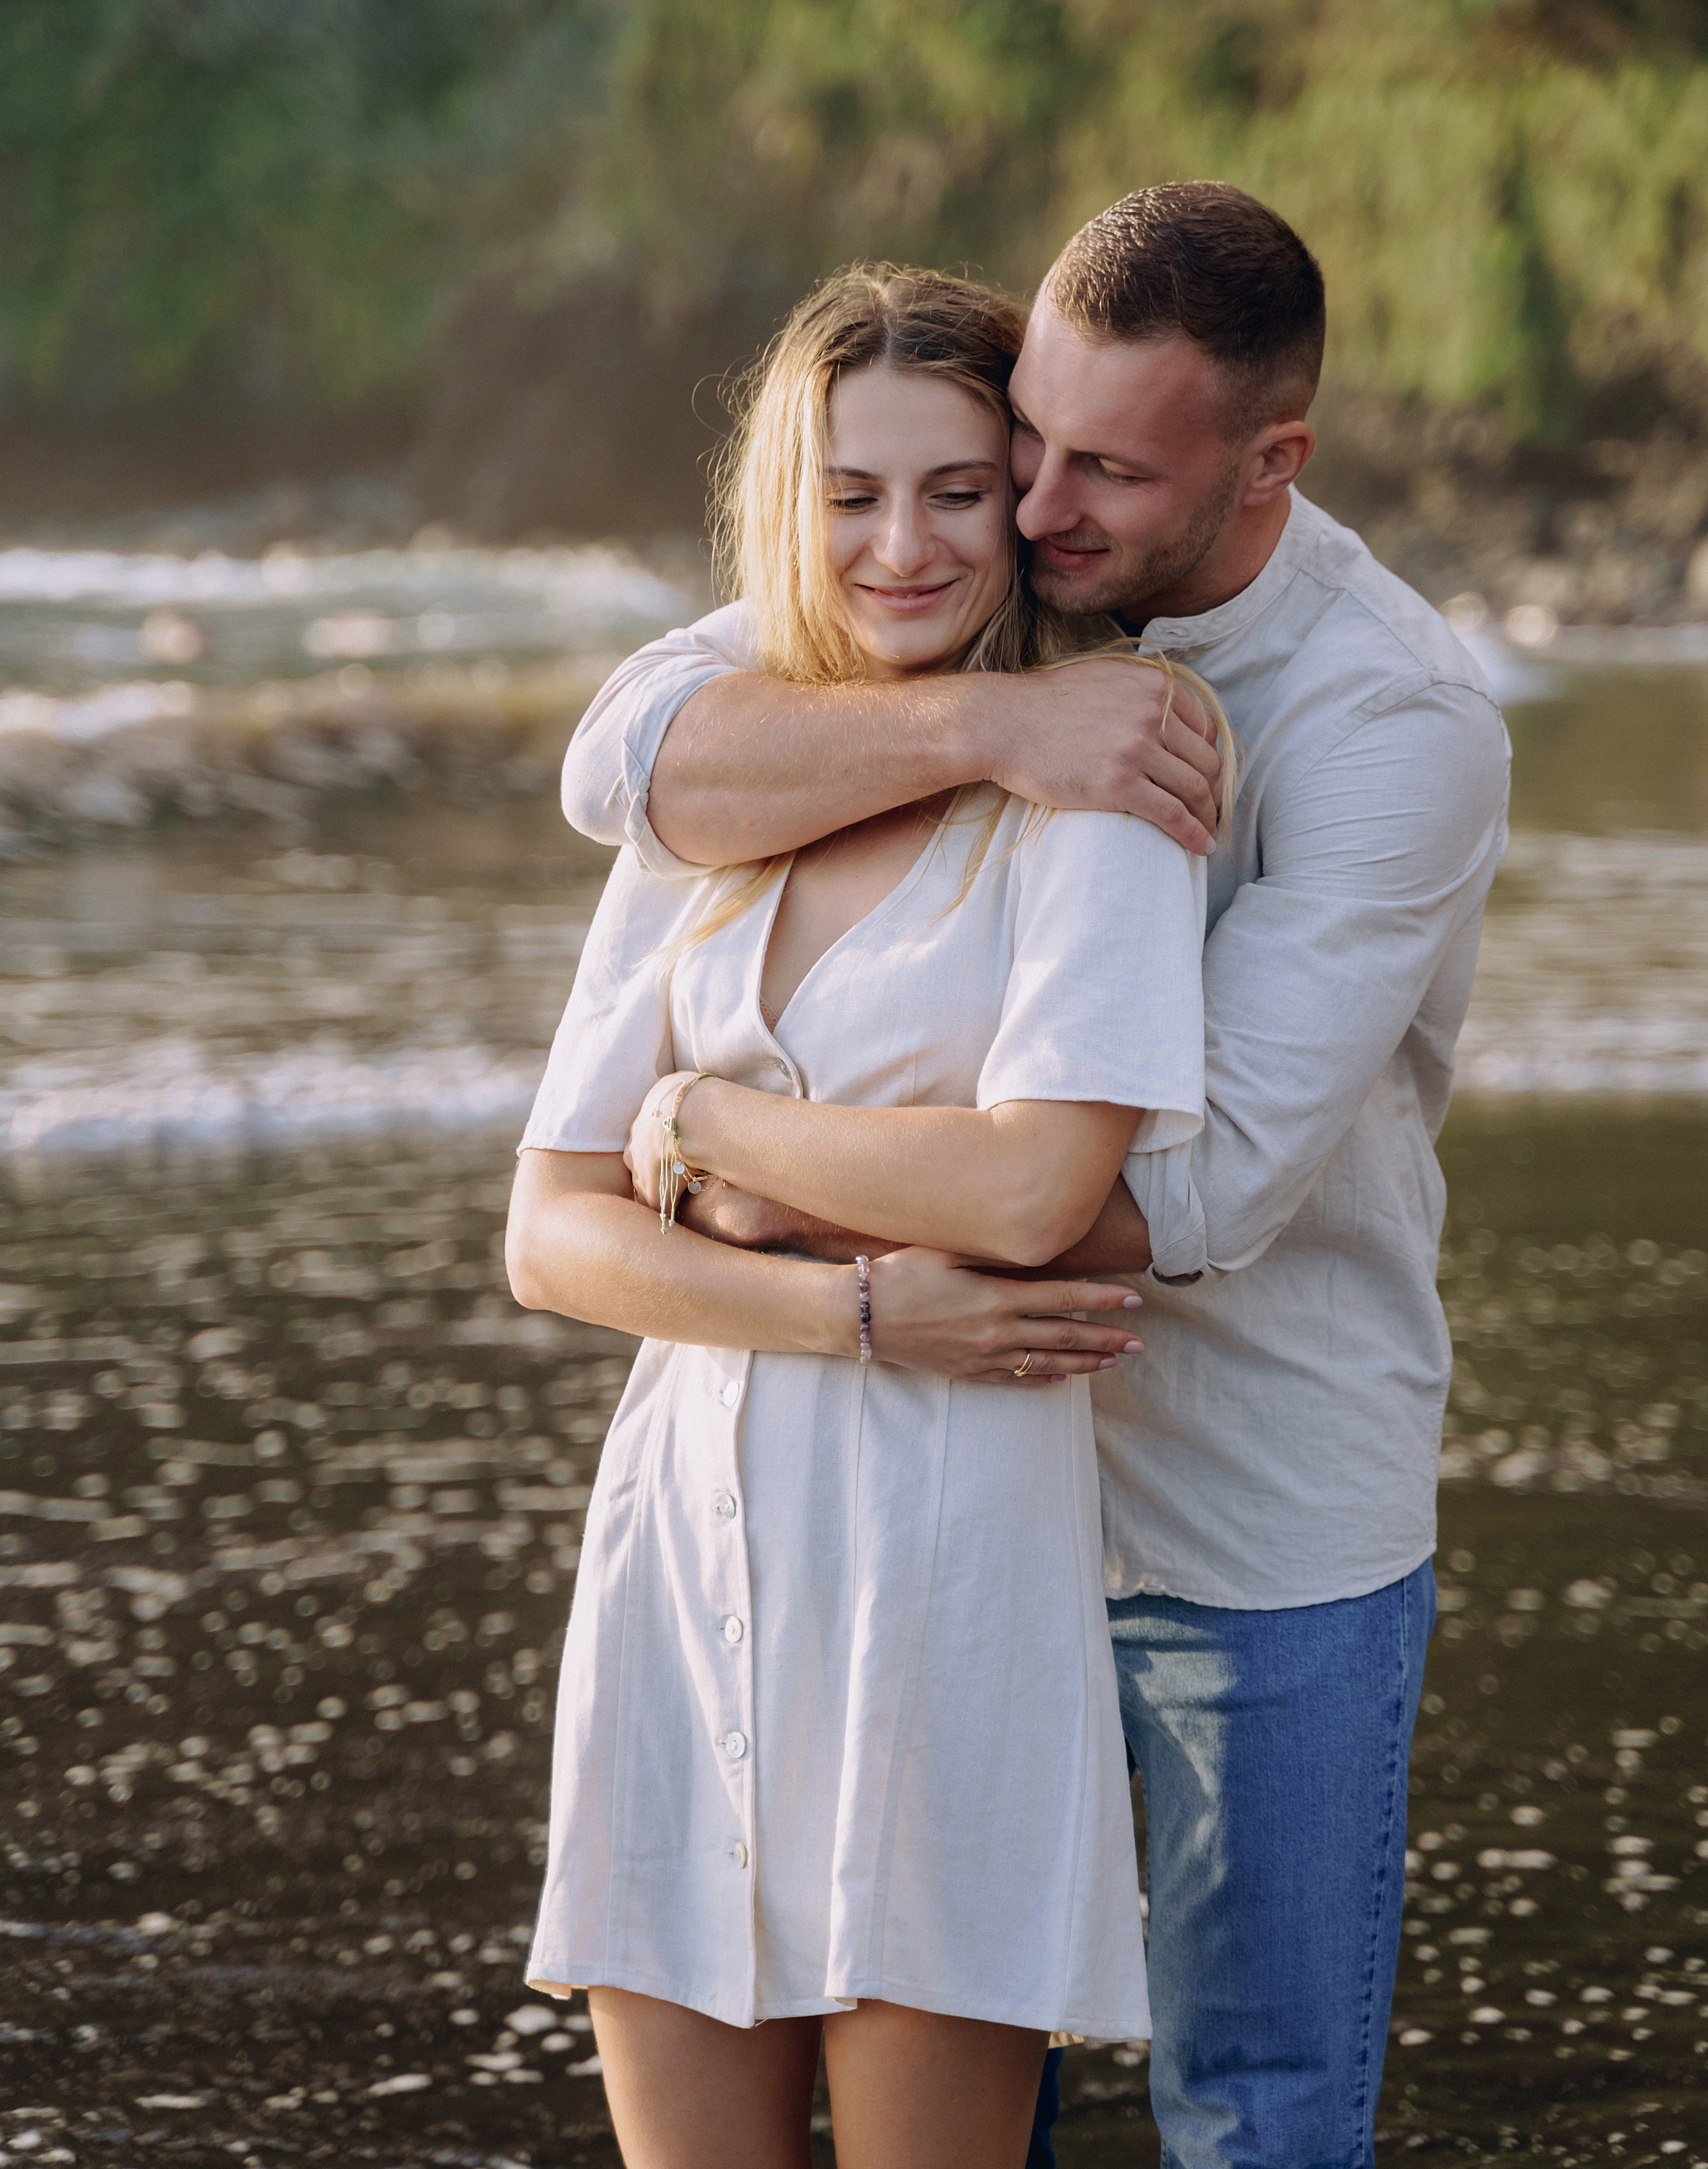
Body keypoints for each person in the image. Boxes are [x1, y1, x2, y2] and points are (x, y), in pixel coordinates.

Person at [557, 185, 1512, 2169]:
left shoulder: (1389, 720)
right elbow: (631, 758)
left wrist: (731, 1173)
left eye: (1103, 470)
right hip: (956, 1505)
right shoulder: (969, 607)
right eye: (1031, 445)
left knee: (1254, 2117)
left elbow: (1175, 1198)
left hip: (1239, 1509)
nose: (1041, 504)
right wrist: (999, 715)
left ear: (1269, 463)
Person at [506, 265, 1226, 2169]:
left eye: (955, 491)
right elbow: (553, 1232)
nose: (902, 546)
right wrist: (862, 1313)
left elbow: (1035, 1184)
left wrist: (705, 1126)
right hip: (682, 1560)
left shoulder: (1102, 781)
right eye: (851, 495)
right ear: (789, 509)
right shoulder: (723, 800)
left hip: (945, 1575)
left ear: (1023, 500)